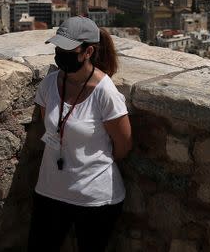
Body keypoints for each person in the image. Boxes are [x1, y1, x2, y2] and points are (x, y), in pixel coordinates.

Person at [27, 16, 132, 252]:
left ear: (88, 52)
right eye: (58, 48)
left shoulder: (105, 93)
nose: (60, 54)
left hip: (95, 198)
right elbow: (51, 126)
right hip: (49, 190)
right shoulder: (49, 85)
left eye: (67, 49)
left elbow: (123, 145)